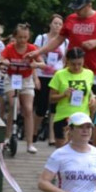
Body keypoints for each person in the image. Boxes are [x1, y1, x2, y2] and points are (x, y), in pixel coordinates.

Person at [28, 0, 96, 87]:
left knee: (88, 99)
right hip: (70, 68)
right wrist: (38, 52)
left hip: (92, 69)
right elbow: (58, 40)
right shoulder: (71, 18)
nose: (76, 11)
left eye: (79, 8)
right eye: (75, 8)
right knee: (66, 97)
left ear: (89, 5)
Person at [0, 23, 43, 154]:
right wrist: (4, 62)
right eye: (20, 37)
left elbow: (43, 63)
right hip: (11, 78)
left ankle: (29, 143)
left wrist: (35, 64)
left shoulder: (31, 48)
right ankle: (7, 137)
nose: (22, 40)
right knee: (14, 106)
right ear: (15, 37)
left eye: (25, 37)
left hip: (26, 80)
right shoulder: (9, 48)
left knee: (28, 109)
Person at [48, 47, 95, 148]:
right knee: (62, 151)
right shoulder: (59, 75)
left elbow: (89, 90)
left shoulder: (89, 73)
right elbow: (51, 98)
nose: (77, 67)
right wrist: (63, 94)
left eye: (79, 64)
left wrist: (92, 97)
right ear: (67, 61)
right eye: (73, 64)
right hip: (64, 117)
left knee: (81, 149)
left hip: (82, 117)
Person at [34, 15, 68, 144]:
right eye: (55, 23)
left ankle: (52, 137)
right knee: (41, 106)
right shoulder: (41, 38)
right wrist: (43, 65)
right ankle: (34, 132)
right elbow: (36, 53)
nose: (57, 26)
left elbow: (65, 59)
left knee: (55, 107)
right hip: (43, 74)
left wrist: (63, 71)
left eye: (60, 24)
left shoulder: (65, 41)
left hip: (57, 75)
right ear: (50, 24)